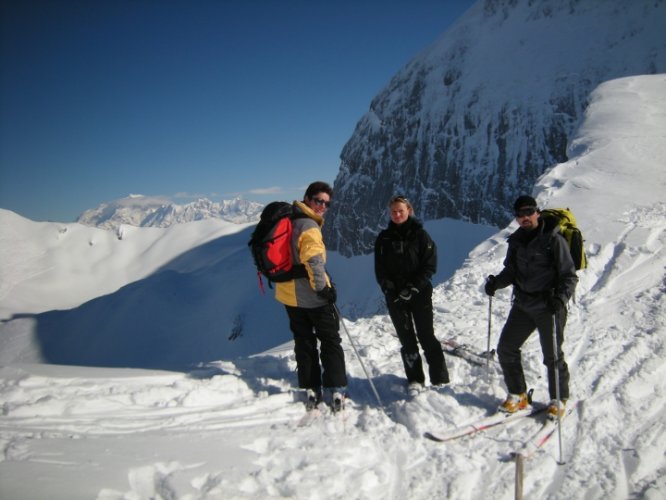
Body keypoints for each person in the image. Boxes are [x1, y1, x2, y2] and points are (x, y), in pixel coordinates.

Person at [484, 195, 578, 417]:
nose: (524, 217)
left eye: (528, 212)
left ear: (537, 212)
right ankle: (518, 394)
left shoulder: (554, 240)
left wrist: (560, 299)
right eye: (520, 214)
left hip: (549, 305)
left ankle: (559, 399)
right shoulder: (516, 241)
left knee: (552, 356)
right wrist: (497, 282)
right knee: (507, 347)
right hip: (523, 303)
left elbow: (569, 276)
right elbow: (512, 271)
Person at [274, 181, 348, 411]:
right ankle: (335, 387)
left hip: (288, 294)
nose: (322, 206)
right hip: (312, 296)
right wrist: (323, 290)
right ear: (307, 198)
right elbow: (314, 261)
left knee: (303, 341)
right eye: (318, 201)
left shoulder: (288, 220)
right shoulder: (309, 227)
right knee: (330, 340)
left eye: (326, 203)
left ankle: (310, 386)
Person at [374, 196, 449, 395]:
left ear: (409, 210)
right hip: (395, 296)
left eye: (401, 211)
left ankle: (440, 378)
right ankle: (415, 379)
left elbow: (430, 266)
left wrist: (413, 287)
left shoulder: (421, 235)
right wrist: (389, 288)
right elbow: (380, 269)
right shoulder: (384, 238)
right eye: (393, 212)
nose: (397, 215)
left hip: (420, 293)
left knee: (426, 336)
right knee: (407, 339)